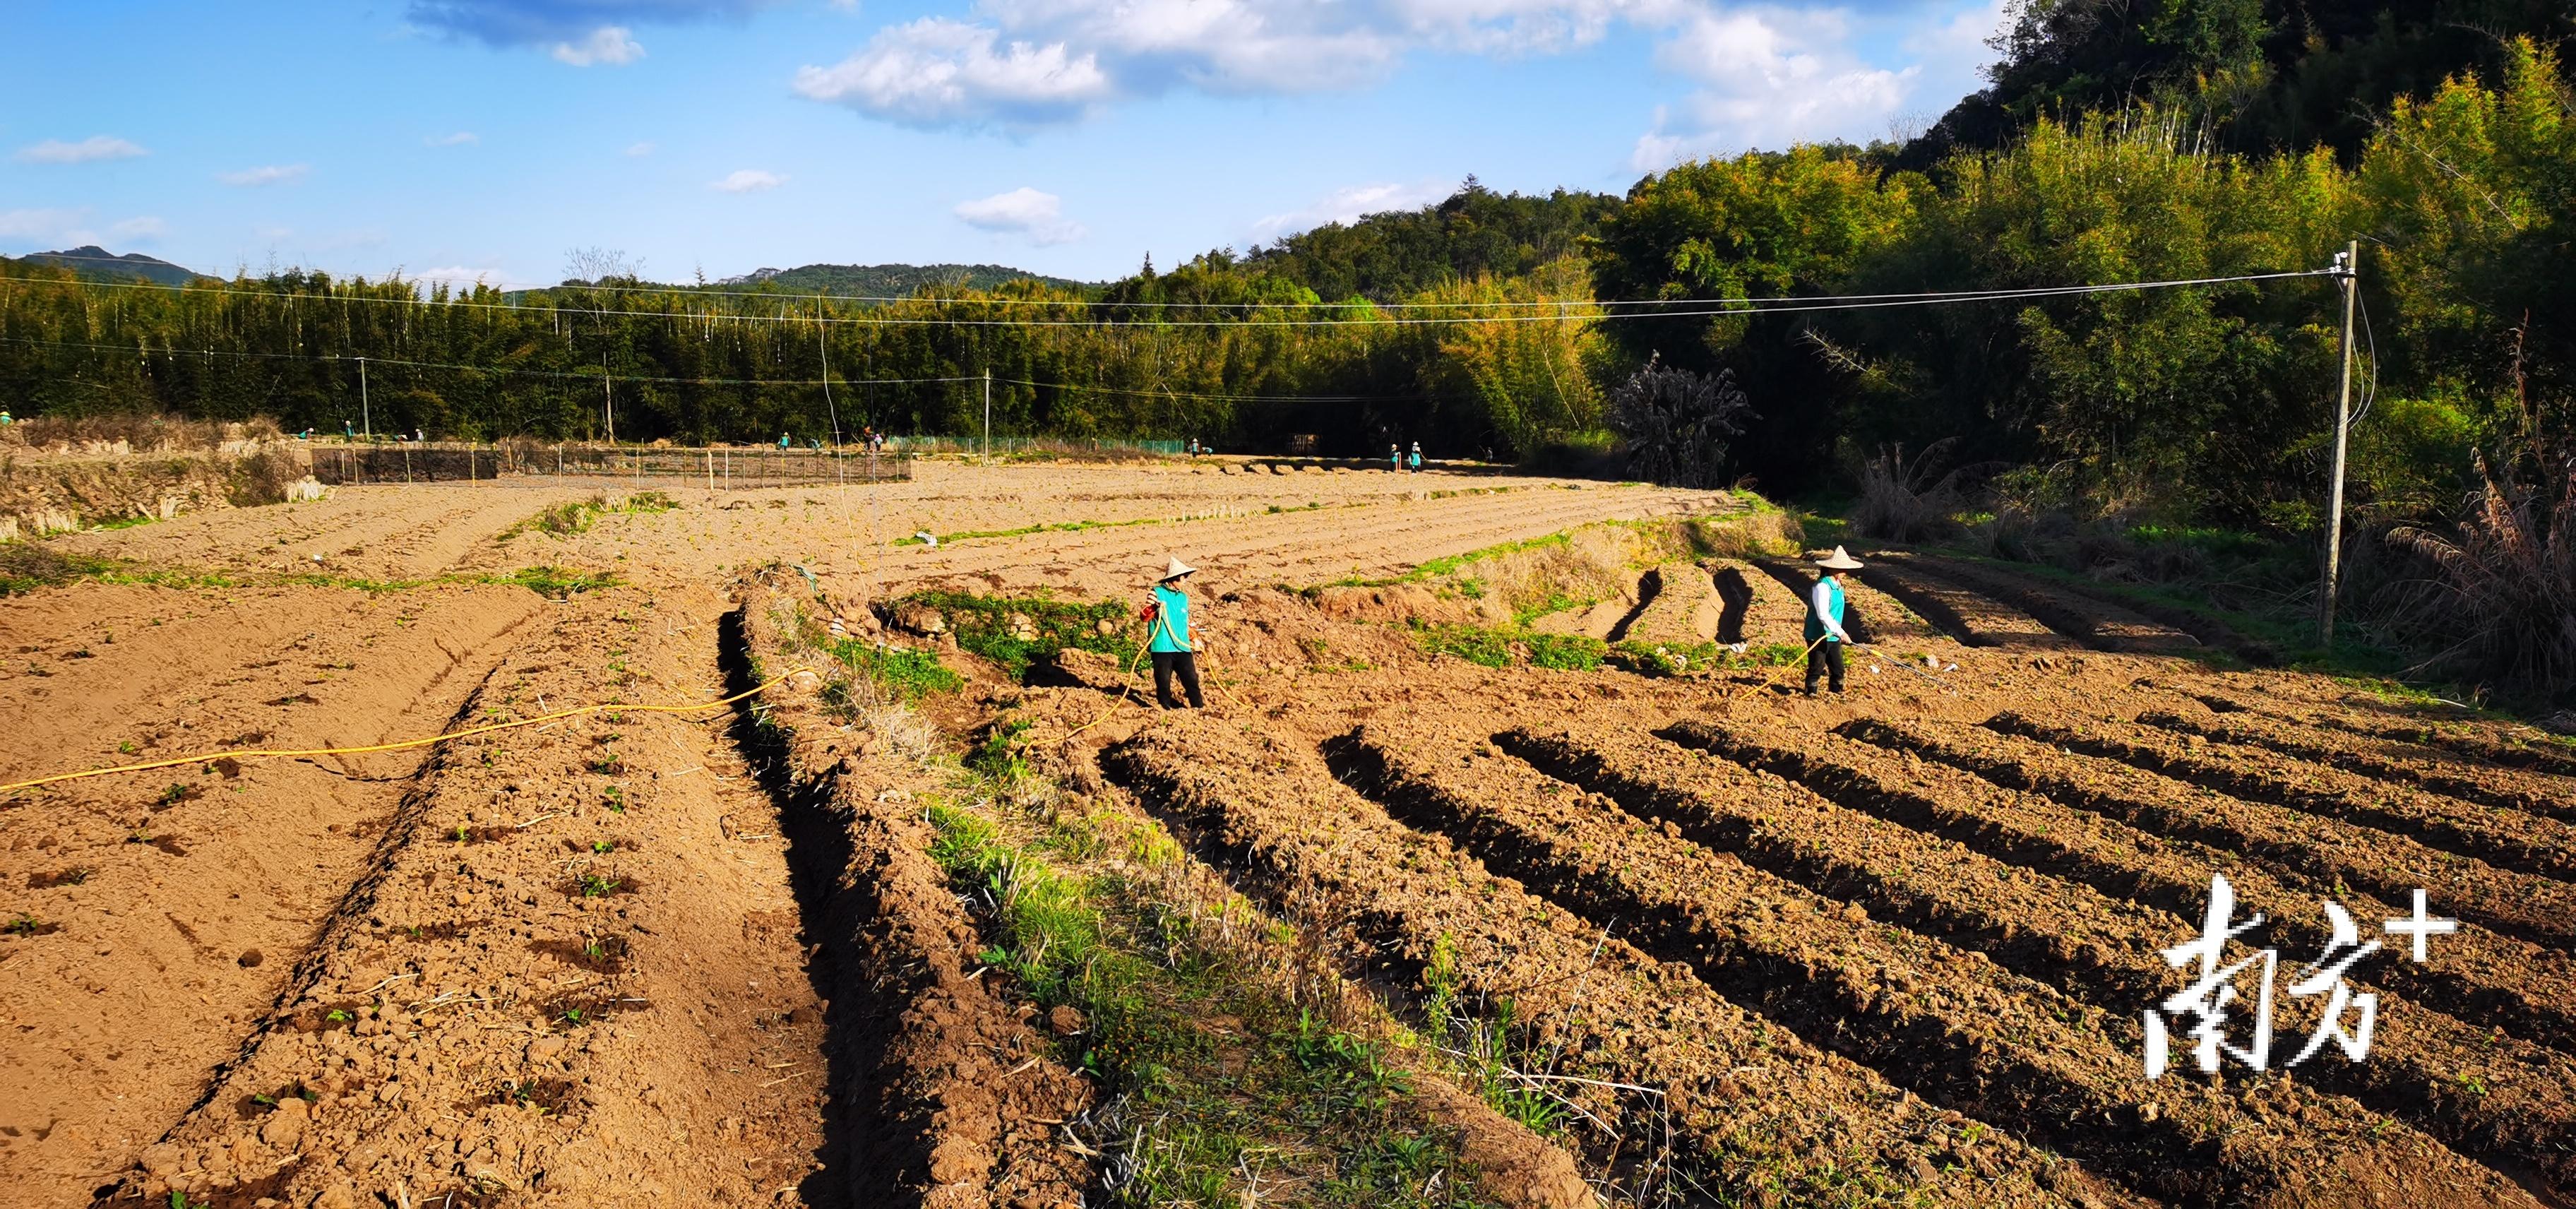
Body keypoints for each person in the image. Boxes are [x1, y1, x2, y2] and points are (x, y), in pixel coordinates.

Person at [1142, 557, 1205, 710]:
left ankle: (1200, 710)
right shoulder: (1156, 593)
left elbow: (1185, 622)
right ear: (1174, 578)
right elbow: (1144, 616)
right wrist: (1154, 607)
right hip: (1162, 647)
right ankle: (1165, 710)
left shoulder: (1183, 598)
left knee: (1191, 680)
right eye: (1184, 577)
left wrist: (1195, 639)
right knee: (1163, 682)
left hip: (1182, 647)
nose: (1185, 580)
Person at [1805, 546, 1864, 695]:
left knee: (1838, 668)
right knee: (1816, 667)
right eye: (1840, 568)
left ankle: (1836, 693)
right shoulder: (1822, 586)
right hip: (1818, 634)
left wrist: (1837, 632)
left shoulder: (1838, 585)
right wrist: (1842, 633)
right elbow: (1823, 614)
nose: (1844, 572)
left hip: (1832, 634)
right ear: (1831, 569)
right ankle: (1811, 694)